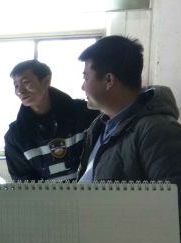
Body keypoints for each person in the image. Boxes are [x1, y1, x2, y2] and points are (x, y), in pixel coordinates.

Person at [77, 36, 181, 198]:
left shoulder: (158, 131)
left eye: (86, 77)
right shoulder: (99, 126)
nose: (82, 86)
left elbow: (173, 204)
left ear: (109, 80)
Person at [5, 60, 98, 182]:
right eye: (16, 85)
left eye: (26, 82)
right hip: (46, 195)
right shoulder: (16, 136)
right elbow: (24, 183)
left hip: (92, 192)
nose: (20, 90)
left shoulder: (85, 113)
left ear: (46, 81)